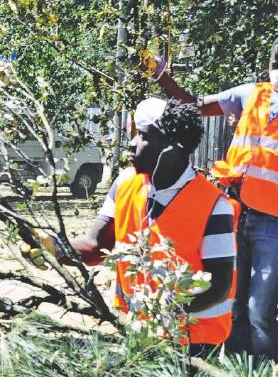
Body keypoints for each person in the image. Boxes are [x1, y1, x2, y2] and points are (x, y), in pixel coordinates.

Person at [154, 33, 278, 365]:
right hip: (235, 214)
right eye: (275, 64)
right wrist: (162, 76)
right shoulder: (250, 94)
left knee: (260, 310)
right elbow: (196, 106)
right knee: (234, 307)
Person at [69, 98, 236, 357]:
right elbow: (95, 247)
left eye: (143, 135)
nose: (132, 143)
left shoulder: (214, 205)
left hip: (194, 340)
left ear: (173, 146)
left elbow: (219, 287)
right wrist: (51, 246)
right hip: (139, 332)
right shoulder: (125, 183)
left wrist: (164, 308)